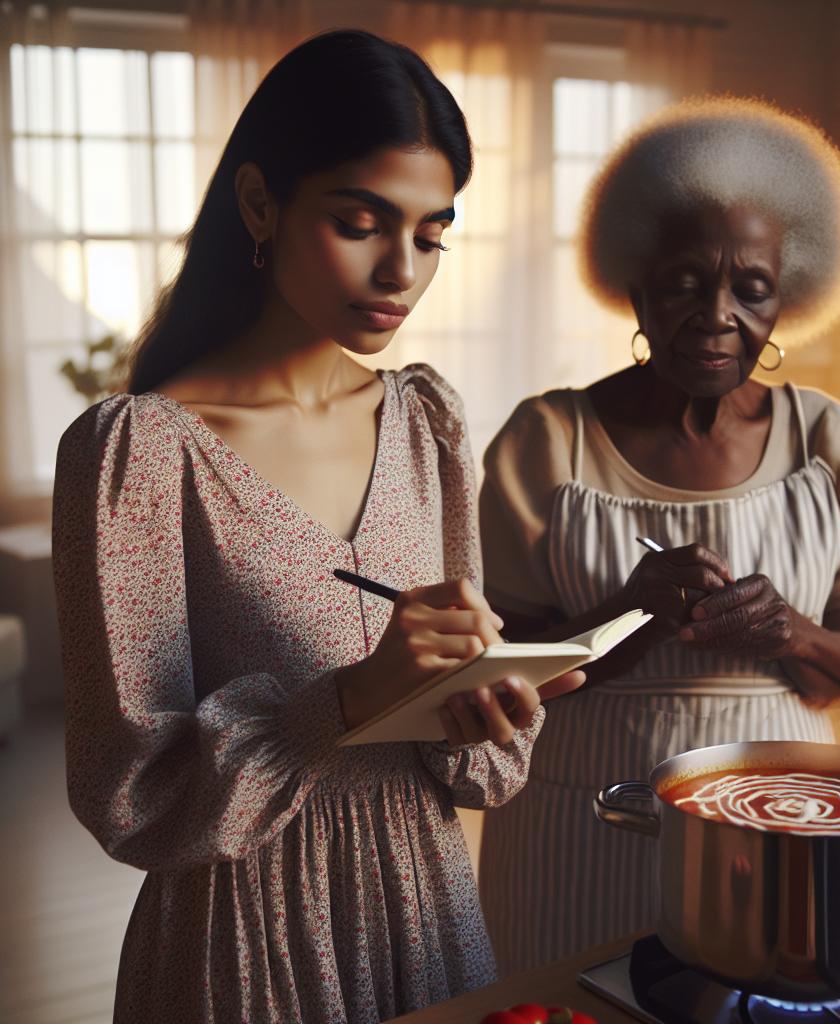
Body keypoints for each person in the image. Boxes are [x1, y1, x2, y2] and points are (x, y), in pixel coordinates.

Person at [51, 29, 581, 1023]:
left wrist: (484, 701)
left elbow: (477, 763)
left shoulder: (426, 421)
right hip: (243, 935)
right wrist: (347, 699)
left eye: (430, 236)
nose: (400, 271)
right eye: (360, 223)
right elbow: (130, 791)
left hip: (424, 906)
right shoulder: (141, 452)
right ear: (260, 204)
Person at [476, 97, 840, 973]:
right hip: (578, 824)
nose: (717, 314)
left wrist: (792, 633)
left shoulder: (822, 437)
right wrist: (629, 612)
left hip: (778, 827)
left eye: (752, 288)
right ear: (634, 287)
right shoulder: (548, 438)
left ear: (786, 298)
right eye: (683, 283)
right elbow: (498, 680)